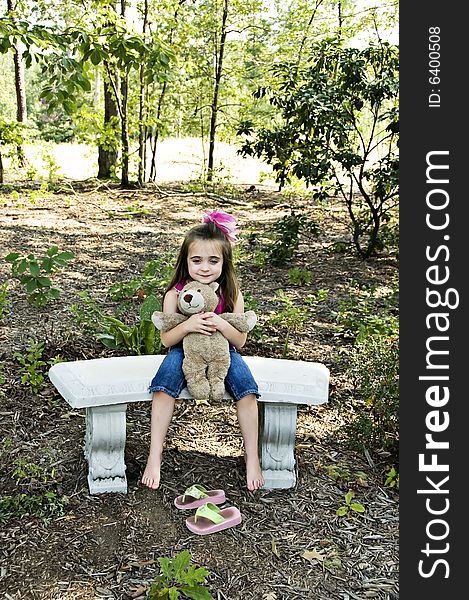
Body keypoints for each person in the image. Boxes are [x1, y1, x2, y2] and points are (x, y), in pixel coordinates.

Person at [141, 210, 265, 492]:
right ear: (186, 261)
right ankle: (154, 455)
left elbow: (240, 341)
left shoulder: (232, 295)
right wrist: (188, 326)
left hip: (225, 353)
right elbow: (166, 339)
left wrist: (221, 323)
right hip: (183, 352)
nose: (205, 267)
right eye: (197, 260)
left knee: (247, 390)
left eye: (213, 261)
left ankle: (252, 459)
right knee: (163, 386)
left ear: (225, 262)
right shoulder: (176, 294)